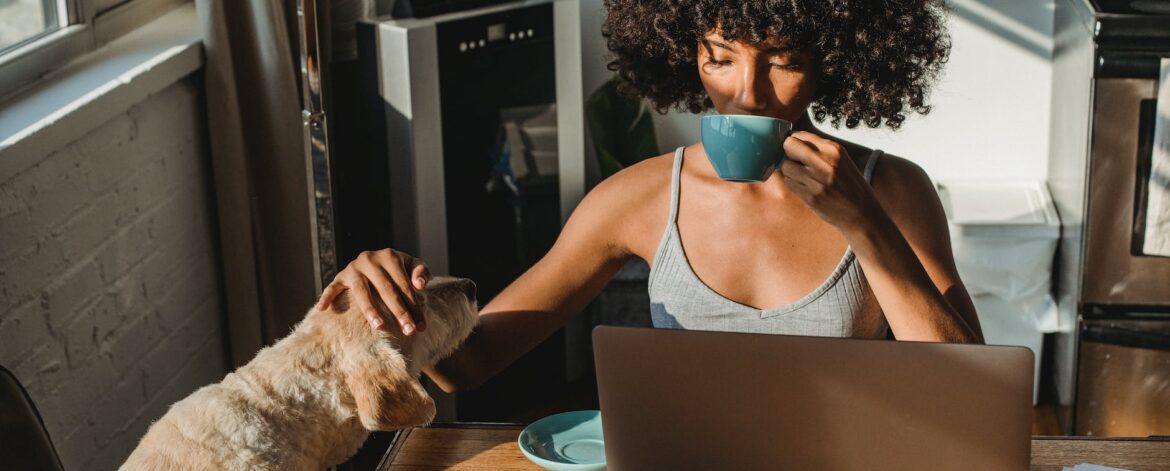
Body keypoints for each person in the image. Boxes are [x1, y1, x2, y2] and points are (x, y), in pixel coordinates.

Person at [316, 0, 983, 393]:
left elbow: (968, 387)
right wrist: (395, 297)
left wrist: (866, 225)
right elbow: (476, 358)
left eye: (783, 60)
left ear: (836, 61)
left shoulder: (890, 190)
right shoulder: (636, 199)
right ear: (685, 54)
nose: (747, 95)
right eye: (720, 57)